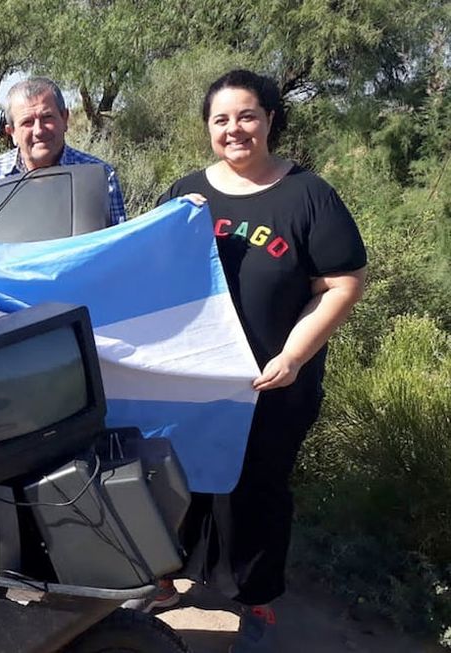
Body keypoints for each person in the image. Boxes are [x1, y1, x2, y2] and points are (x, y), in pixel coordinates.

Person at [155, 70, 367, 652]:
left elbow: (343, 284)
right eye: (221, 120)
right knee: (180, 481)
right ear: (207, 128)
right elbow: (152, 272)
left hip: (275, 382)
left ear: (270, 119)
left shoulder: (308, 195)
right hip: (197, 381)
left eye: (246, 116)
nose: (234, 129)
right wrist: (176, 228)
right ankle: (165, 581)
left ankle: (257, 604)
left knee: (257, 491)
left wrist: (295, 355)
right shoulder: (184, 193)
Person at [0, 77, 128, 226]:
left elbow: (117, 247)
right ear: (12, 132)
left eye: (47, 117)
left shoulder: (100, 177)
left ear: (65, 119)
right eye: (27, 122)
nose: (38, 130)